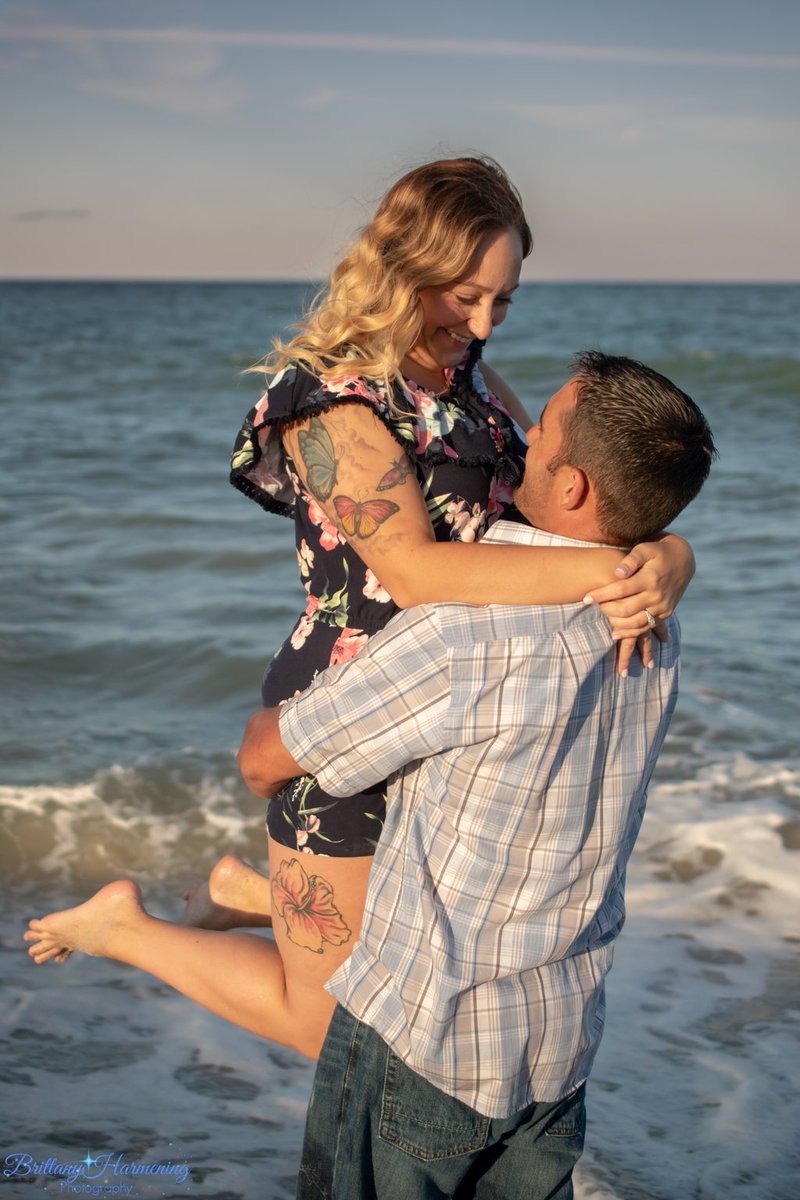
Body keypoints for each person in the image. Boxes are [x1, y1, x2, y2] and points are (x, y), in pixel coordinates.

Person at [24, 159, 693, 1060]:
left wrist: (670, 553)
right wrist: (622, 572)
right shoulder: (329, 404)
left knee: (414, 959)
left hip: (452, 711)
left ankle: (251, 893)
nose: (485, 324)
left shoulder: (476, 388)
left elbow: (562, 509)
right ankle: (125, 928)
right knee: (326, 1024)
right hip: (347, 714)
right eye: (466, 296)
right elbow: (414, 572)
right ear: (405, 267)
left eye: (506, 301)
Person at [234, 351, 716, 1199]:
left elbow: (265, 761)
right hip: (559, 1046)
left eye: (541, 432)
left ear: (570, 488)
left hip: (430, 1041)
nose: (517, 438)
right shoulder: (659, 628)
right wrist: (674, 551)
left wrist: (275, 718)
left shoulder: (465, 636)